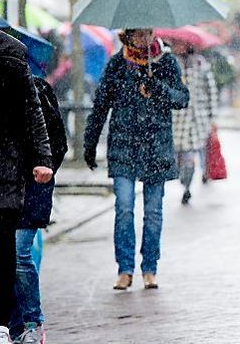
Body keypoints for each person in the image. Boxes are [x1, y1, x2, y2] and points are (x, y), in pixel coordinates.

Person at [84, 28, 190, 291]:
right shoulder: (118, 64)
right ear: (127, 36)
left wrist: (159, 89)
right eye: (138, 36)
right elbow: (101, 104)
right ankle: (125, 268)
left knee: (153, 212)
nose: (144, 41)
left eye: (148, 35)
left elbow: (182, 98)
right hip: (124, 146)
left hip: (157, 147)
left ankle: (150, 267)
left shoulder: (166, 62)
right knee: (124, 208)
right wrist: (90, 142)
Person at [0, 0, 54, 344]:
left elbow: (35, 117)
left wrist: (42, 160)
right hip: (4, 165)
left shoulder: (13, 62)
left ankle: (9, 323)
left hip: (8, 169)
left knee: (10, 248)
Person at [11, 76, 69, 344]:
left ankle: (33, 322)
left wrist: (42, 168)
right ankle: (11, 325)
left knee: (19, 253)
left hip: (33, 185)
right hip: (1, 188)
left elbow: (57, 143)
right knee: (8, 256)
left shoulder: (38, 91)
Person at [171, 45, 218, 204]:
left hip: (197, 119)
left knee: (190, 154)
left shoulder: (201, 65)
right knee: (181, 154)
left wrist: (212, 116)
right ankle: (185, 182)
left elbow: (211, 92)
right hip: (177, 120)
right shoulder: (171, 64)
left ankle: (188, 185)